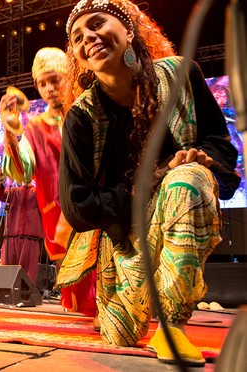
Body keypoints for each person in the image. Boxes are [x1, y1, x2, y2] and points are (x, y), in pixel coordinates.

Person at [57, 0, 240, 366]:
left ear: (129, 30)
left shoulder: (182, 75)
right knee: (120, 337)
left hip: (180, 207)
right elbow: (78, 208)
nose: (88, 37)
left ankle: (172, 327)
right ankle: (121, 304)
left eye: (97, 24)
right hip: (124, 239)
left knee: (187, 180)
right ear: (77, 55)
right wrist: (146, 184)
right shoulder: (82, 116)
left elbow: (220, 146)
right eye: (78, 37)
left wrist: (202, 158)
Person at [0, 47, 97, 316]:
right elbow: (23, 171)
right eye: (42, 83)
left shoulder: (88, 111)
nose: (49, 88)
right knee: (74, 289)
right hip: (58, 212)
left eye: (55, 80)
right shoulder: (35, 128)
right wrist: (10, 133)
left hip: (93, 205)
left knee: (101, 270)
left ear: (70, 76)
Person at [0, 168, 43, 284]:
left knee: (28, 270)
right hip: (11, 235)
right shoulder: (14, 192)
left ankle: (27, 294)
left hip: (30, 235)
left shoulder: (38, 192)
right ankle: (6, 291)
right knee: (8, 267)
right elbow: (1, 195)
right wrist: (0, 180)